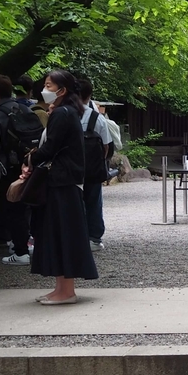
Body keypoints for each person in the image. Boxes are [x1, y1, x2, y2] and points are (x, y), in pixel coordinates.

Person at [25, 69, 99, 304]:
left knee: (62, 234)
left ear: (62, 90)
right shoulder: (67, 112)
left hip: (62, 182)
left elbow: (50, 148)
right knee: (60, 233)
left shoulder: (62, 114)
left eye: (49, 85)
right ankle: (61, 288)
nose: (45, 89)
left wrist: (29, 159)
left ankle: (66, 290)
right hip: (65, 181)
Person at [0, 74, 36, 265]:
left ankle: (19, 250)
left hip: (4, 169)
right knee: (23, 208)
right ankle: (25, 244)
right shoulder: (24, 109)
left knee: (9, 208)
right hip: (27, 165)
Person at [77, 77, 113, 253]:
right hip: (92, 167)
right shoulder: (97, 118)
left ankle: (75, 236)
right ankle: (94, 237)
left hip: (70, 168)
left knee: (73, 202)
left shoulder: (64, 114)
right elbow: (106, 146)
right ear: (89, 96)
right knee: (94, 201)